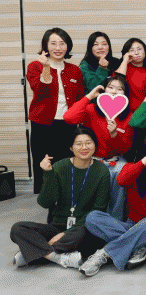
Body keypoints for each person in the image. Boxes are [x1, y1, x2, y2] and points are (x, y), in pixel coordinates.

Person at [78, 132, 146, 276]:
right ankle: (140, 245)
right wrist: (144, 161)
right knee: (92, 217)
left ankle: (104, 253)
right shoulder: (132, 168)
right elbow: (121, 181)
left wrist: (143, 228)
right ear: (145, 150)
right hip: (131, 224)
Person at [10, 127, 110, 269]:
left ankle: (32, 251)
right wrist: (48, 174)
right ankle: (57, 257)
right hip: (57, 225)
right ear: (71, 147)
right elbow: (45, 202)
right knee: (17, 228)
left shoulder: (101, 171)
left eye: (88, 143)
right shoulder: (60, 167)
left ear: (95, 145)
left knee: (88, 237)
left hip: (82, 227)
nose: (84, 147)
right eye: (78, 144)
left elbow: (99, 209)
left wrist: (65, 233)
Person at [63, 75, 134, 220]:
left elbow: (125, 148)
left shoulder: (128, 116)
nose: (114, 91)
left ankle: (114, 221)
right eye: (110, 87)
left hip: (115, 161)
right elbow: (69, 117)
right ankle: (87, 220)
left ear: (125, 94)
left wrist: (114, 134)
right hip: (92, 159)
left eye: (119, 89)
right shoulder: (91, 109)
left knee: (121, 174)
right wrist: (89, 96)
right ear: (104, 89)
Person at [27, 28, 85, 194]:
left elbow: (80, 98)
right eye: (53, 43)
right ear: (46, 46)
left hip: (67, 124)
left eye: (62, 43)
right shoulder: (35, 66)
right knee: (45, 161)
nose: (58, 48)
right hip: (43, 124)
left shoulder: (74, 70)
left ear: (68, 46)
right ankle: (47, 198)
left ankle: (66, 197)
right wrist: (46, 68)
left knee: (66, 161)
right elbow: (40, 91)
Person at [115, 37, 146, 112]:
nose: (136, 53)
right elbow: (116, 82)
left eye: (139, 49)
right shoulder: (123, 69)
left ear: (145, 51)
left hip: (145, 112)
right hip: (125, 113)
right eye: (132, 50)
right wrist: (125, 60)